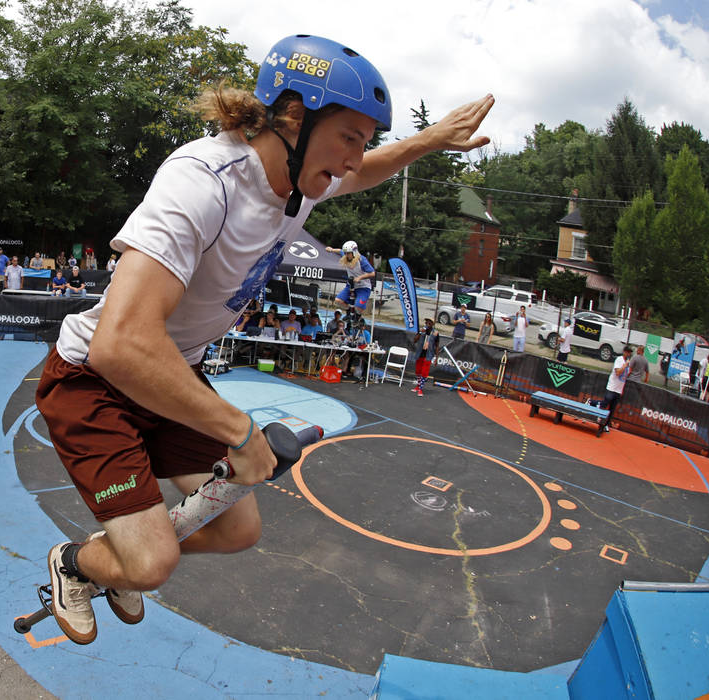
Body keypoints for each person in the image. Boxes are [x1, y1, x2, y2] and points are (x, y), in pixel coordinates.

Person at [33, 33, 492, 645]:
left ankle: (111, 559)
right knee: (152, 565)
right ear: (295, 117)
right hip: (97, 379)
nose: (355, 159)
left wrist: (429, 140)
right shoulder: (204, 181)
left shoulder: (300, 181)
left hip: (173, 373)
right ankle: (77, 563)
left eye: (364, 141)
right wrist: (240, 431)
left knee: (234, 529)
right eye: (349, 138)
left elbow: (368, 173)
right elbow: (120, 344)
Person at [326, 241, 374, 320]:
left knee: (358, 306)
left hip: (363, 287)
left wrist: (360, 277)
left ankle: (358, 316)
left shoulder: (362, 260)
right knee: (338, 301)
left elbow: (372, 273)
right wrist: (331, 250)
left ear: (354, 252)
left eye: (348, 253)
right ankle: (349, 311)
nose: (346, 255)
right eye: (345, 253)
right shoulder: (346, 256)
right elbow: (339, 251)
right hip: (351, 285)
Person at [600, 346, 633, 431]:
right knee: (604, 404)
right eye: (627, 352)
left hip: (618, 389)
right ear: (624, 352)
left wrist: (629, 369)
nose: (629, 354)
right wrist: (625, 365)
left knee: (612, 408)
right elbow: (618, 372)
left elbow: (625, 376)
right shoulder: (619, 360)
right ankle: (591, 403)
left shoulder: (628, 363)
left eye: (630, 353)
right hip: (612, 387)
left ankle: (606, 425)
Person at [413, 317, 439, 397]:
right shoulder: (422, 331)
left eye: (429, 322)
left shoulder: (435, 333)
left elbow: (437, 345)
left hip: (428, 354)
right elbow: (414, 340)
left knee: (424, 372)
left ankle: (420, 389)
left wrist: (436, 358)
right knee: (418, 371)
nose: (427, 324)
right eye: (426, 322)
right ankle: (418, 385)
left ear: (432, 324)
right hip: (420, 353)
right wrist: (420, 332)